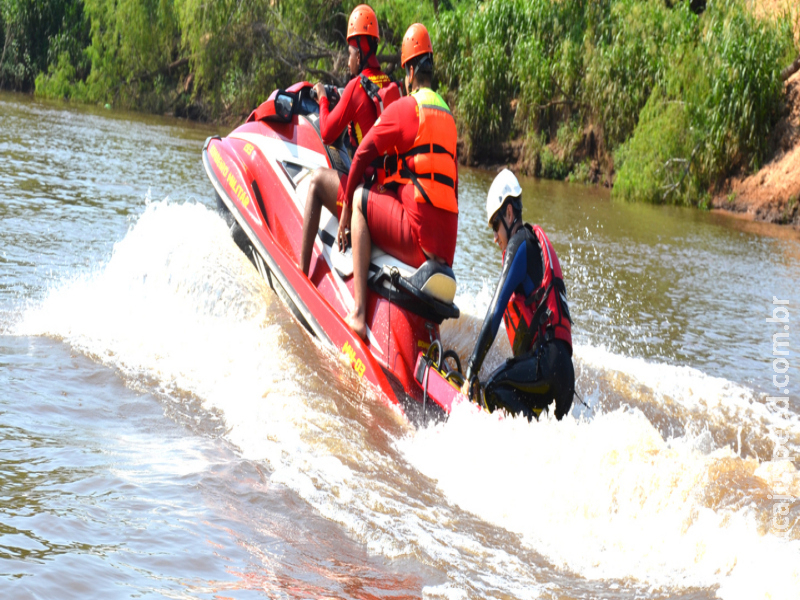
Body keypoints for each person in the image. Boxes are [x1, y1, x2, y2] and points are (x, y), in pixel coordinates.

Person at [342, 23, 459, 340]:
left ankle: (358, 313)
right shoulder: (448, 116)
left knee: (359, 201)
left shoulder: (408, 107)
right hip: (446, 251)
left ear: (408, 70)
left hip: (419, 244)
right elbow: (451, 188)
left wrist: (342, 218)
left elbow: (361, 155)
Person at [463, 169, 575, 420]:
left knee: (493, 389)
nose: (494, 238)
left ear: (509, 212)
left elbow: (495, 313)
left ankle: (537, 435)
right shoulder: (532, 245)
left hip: (547, 363)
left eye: (495, 226)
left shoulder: (520, 244)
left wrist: (471, 371)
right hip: (563, 371)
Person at [299, 4, 400, 275]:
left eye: (349, 53)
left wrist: (322, 98)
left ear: (359, 52)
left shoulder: (356, 88)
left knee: (318, 180)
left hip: (363, 194)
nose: (347, 61)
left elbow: (328, 133)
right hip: (386, 195)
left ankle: (301, 272)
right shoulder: (392, 88)